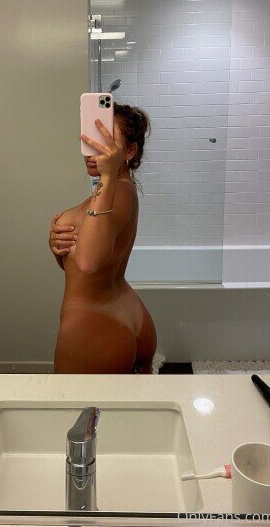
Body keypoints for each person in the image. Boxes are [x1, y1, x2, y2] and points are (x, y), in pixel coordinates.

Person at [49, 103, 157, 373]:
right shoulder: (121, 191)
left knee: (75, 401)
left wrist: (106, 176)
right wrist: (58, 247)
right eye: (90, 138)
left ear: (129, 152)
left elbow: (87, 262)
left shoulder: (115, 189)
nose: (92, 149)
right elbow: (89, 261)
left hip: (93, 327)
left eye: (106, 141)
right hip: (125, 311)